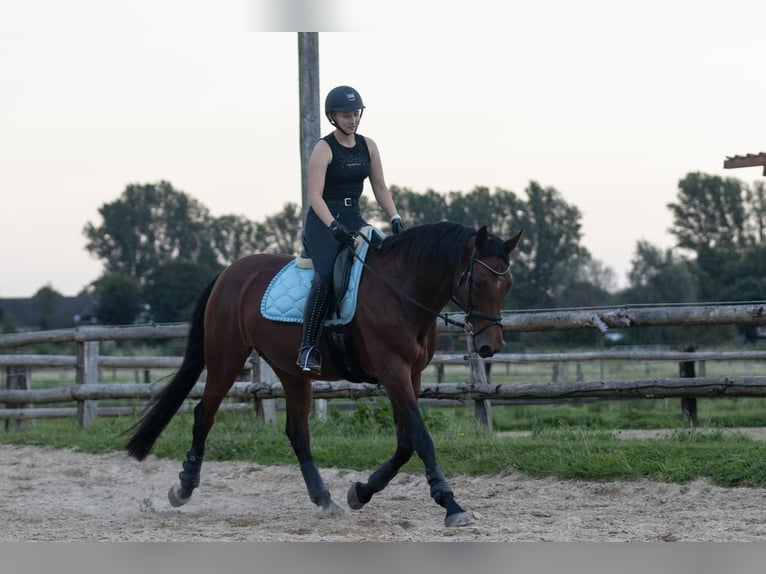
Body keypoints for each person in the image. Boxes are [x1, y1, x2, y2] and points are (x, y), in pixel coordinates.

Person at [297, 85, 405, 375]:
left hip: (355, 217)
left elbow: (380, 187)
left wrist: (393, 216)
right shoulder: (323, 149)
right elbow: (315, 197)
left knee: (384, 263)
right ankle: (307, 349)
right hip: (323, 221)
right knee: (327, 275)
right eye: (346, 115)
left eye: (356, 114)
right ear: (332, 117)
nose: (352, 120)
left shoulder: (368, 146)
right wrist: (332, 225)